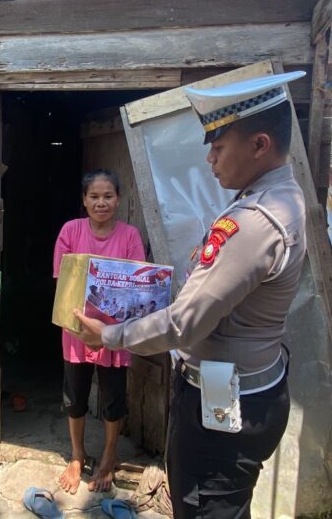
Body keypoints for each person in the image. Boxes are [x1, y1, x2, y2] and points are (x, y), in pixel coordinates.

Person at [74, 71, 309, 518]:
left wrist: (108, 335)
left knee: (206, 504)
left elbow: (184, 323)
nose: (210, 159)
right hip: (242, 386)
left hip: (225, 401)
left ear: (259, 145)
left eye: (219, 147)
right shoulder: (278, 197)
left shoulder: (255, 220)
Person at [53, 169, 146, 494]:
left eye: (108, 196)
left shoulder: (130, 236)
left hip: (116, 333)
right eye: (94, 196)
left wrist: (110, 327)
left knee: (113, 398)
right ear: (84, 200)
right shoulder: (70, 231)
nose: (101, 202)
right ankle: (77, 455)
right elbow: (64, 283)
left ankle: (109, 456)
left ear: (118, 199)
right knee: (74, 396)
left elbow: (137, 285)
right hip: (76, 329)